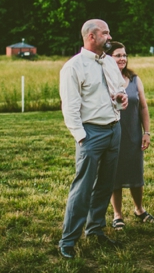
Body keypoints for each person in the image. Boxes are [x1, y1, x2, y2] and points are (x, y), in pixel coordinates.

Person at [58, 19, 129, 259]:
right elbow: (69, 106)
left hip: (113, 129)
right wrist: (81, 137)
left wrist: (121, 99)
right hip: (90, 133)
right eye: (105, 33)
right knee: (83, 187)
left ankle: (95, 229)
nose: (110, 37)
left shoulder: (109, 62)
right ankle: (68, 240)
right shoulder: (73, 67)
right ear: (91, 36)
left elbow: (118, 89)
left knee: (106, 184)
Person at [105, 41, 154, 230]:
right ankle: (117, 215)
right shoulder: (105, 79)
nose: (122, 58)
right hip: (112, 134)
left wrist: (146, 132)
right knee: (114, 175)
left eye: (124, 55)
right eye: (118, 55)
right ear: (108, 58)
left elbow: (143, 107)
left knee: (136, 173)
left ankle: (139, 209)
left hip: (133, 134)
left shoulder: (134, 79)